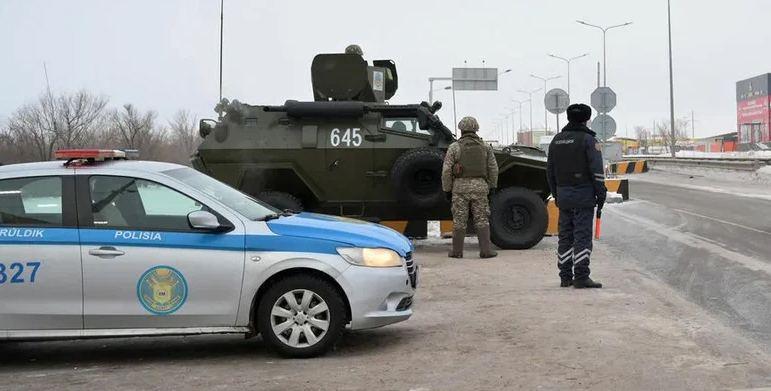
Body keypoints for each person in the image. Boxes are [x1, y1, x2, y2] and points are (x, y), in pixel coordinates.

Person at [547, 104, 606, 289]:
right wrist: (601, 193)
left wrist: (557, 194)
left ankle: (565, 276)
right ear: (586, 119)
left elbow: (550, 172)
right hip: (583, 196)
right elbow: (596, 170)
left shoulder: (556, 140)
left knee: (565, 237)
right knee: (582, 237)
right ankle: (581, 276)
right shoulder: (588, 140)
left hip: (563, 196)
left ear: (568, 118)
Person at [441, 116, 499, 259]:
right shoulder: (485, 147)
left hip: (460, 189)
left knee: (459, 220)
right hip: (480, 188)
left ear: (461, 130)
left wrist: (447, 189)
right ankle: (486, 251)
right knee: (482, 219)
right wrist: (492, 187)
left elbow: (446, 170)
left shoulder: (455, 147)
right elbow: (493, 169)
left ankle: (457, 252)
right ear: (476, 129)